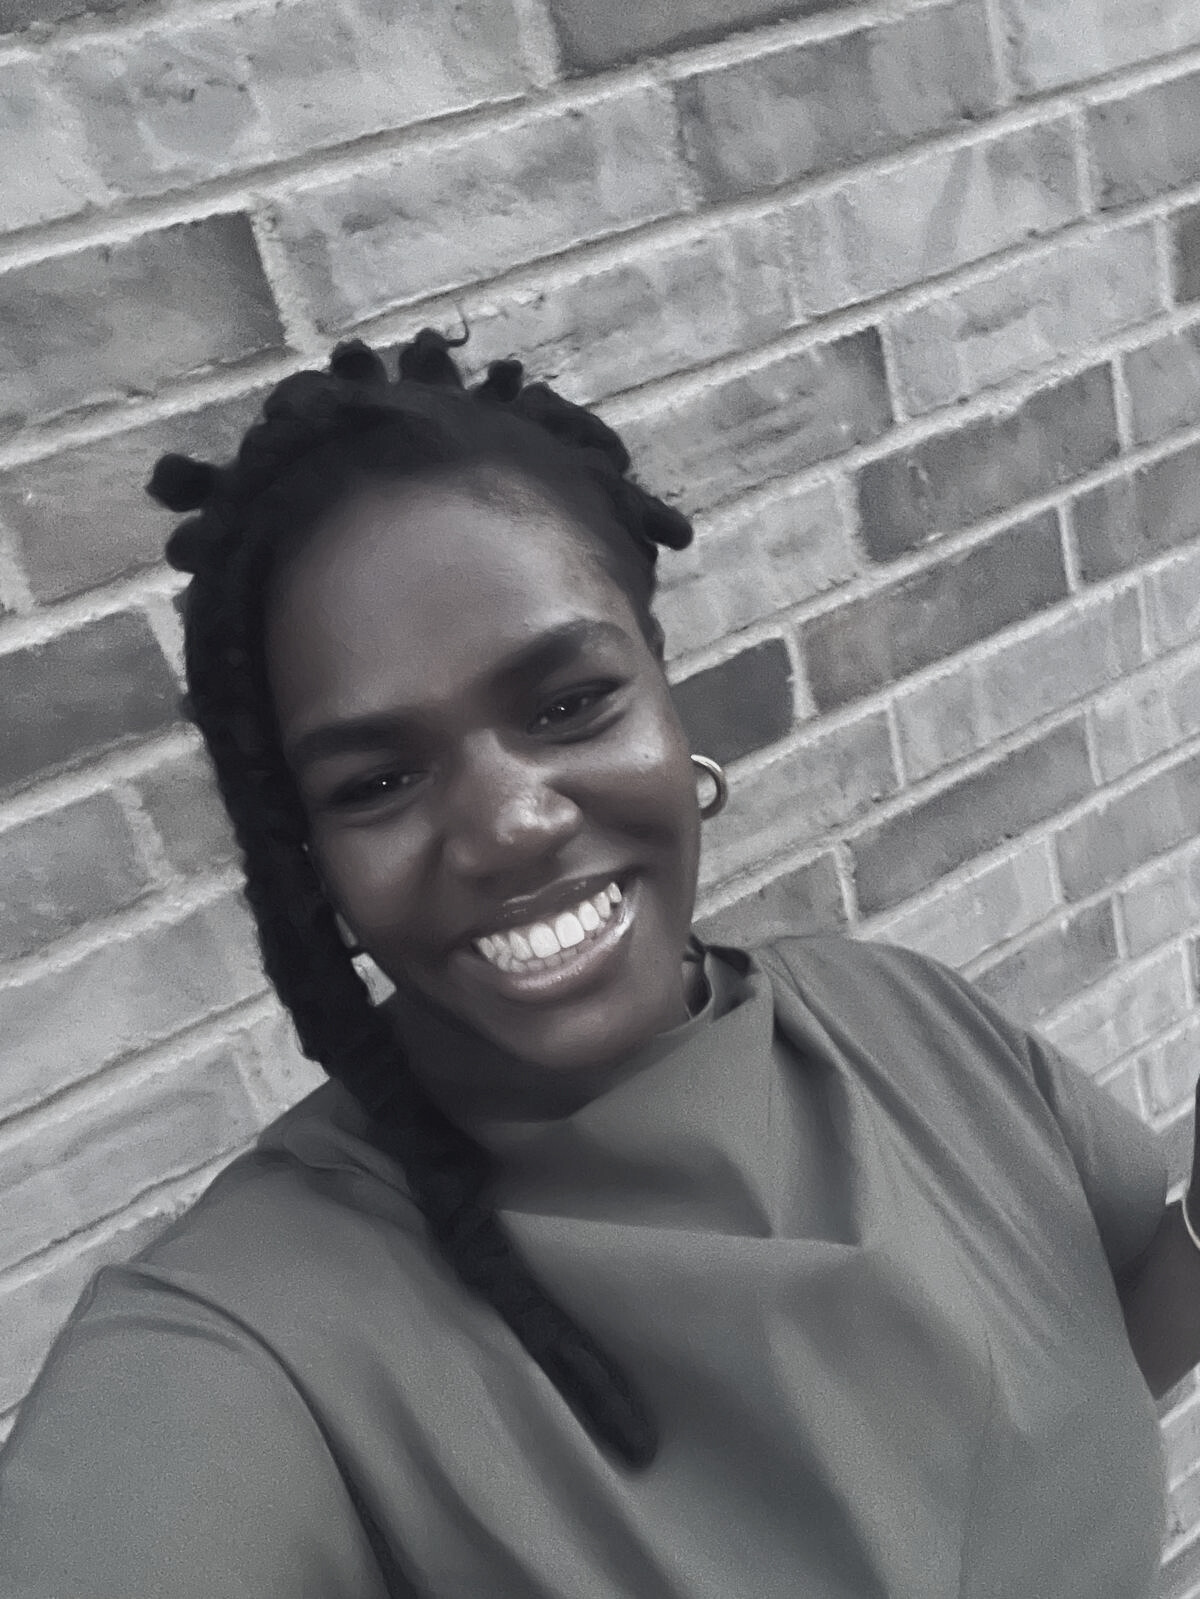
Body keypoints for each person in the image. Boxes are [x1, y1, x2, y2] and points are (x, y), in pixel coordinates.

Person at [0, 326, 1197, 1598]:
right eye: (378, 781)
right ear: (314, 862)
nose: (510, 824)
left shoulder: (902, 1022)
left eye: (569, 705)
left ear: (667, 699)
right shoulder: (254, 1337)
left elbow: (1093, 1361)